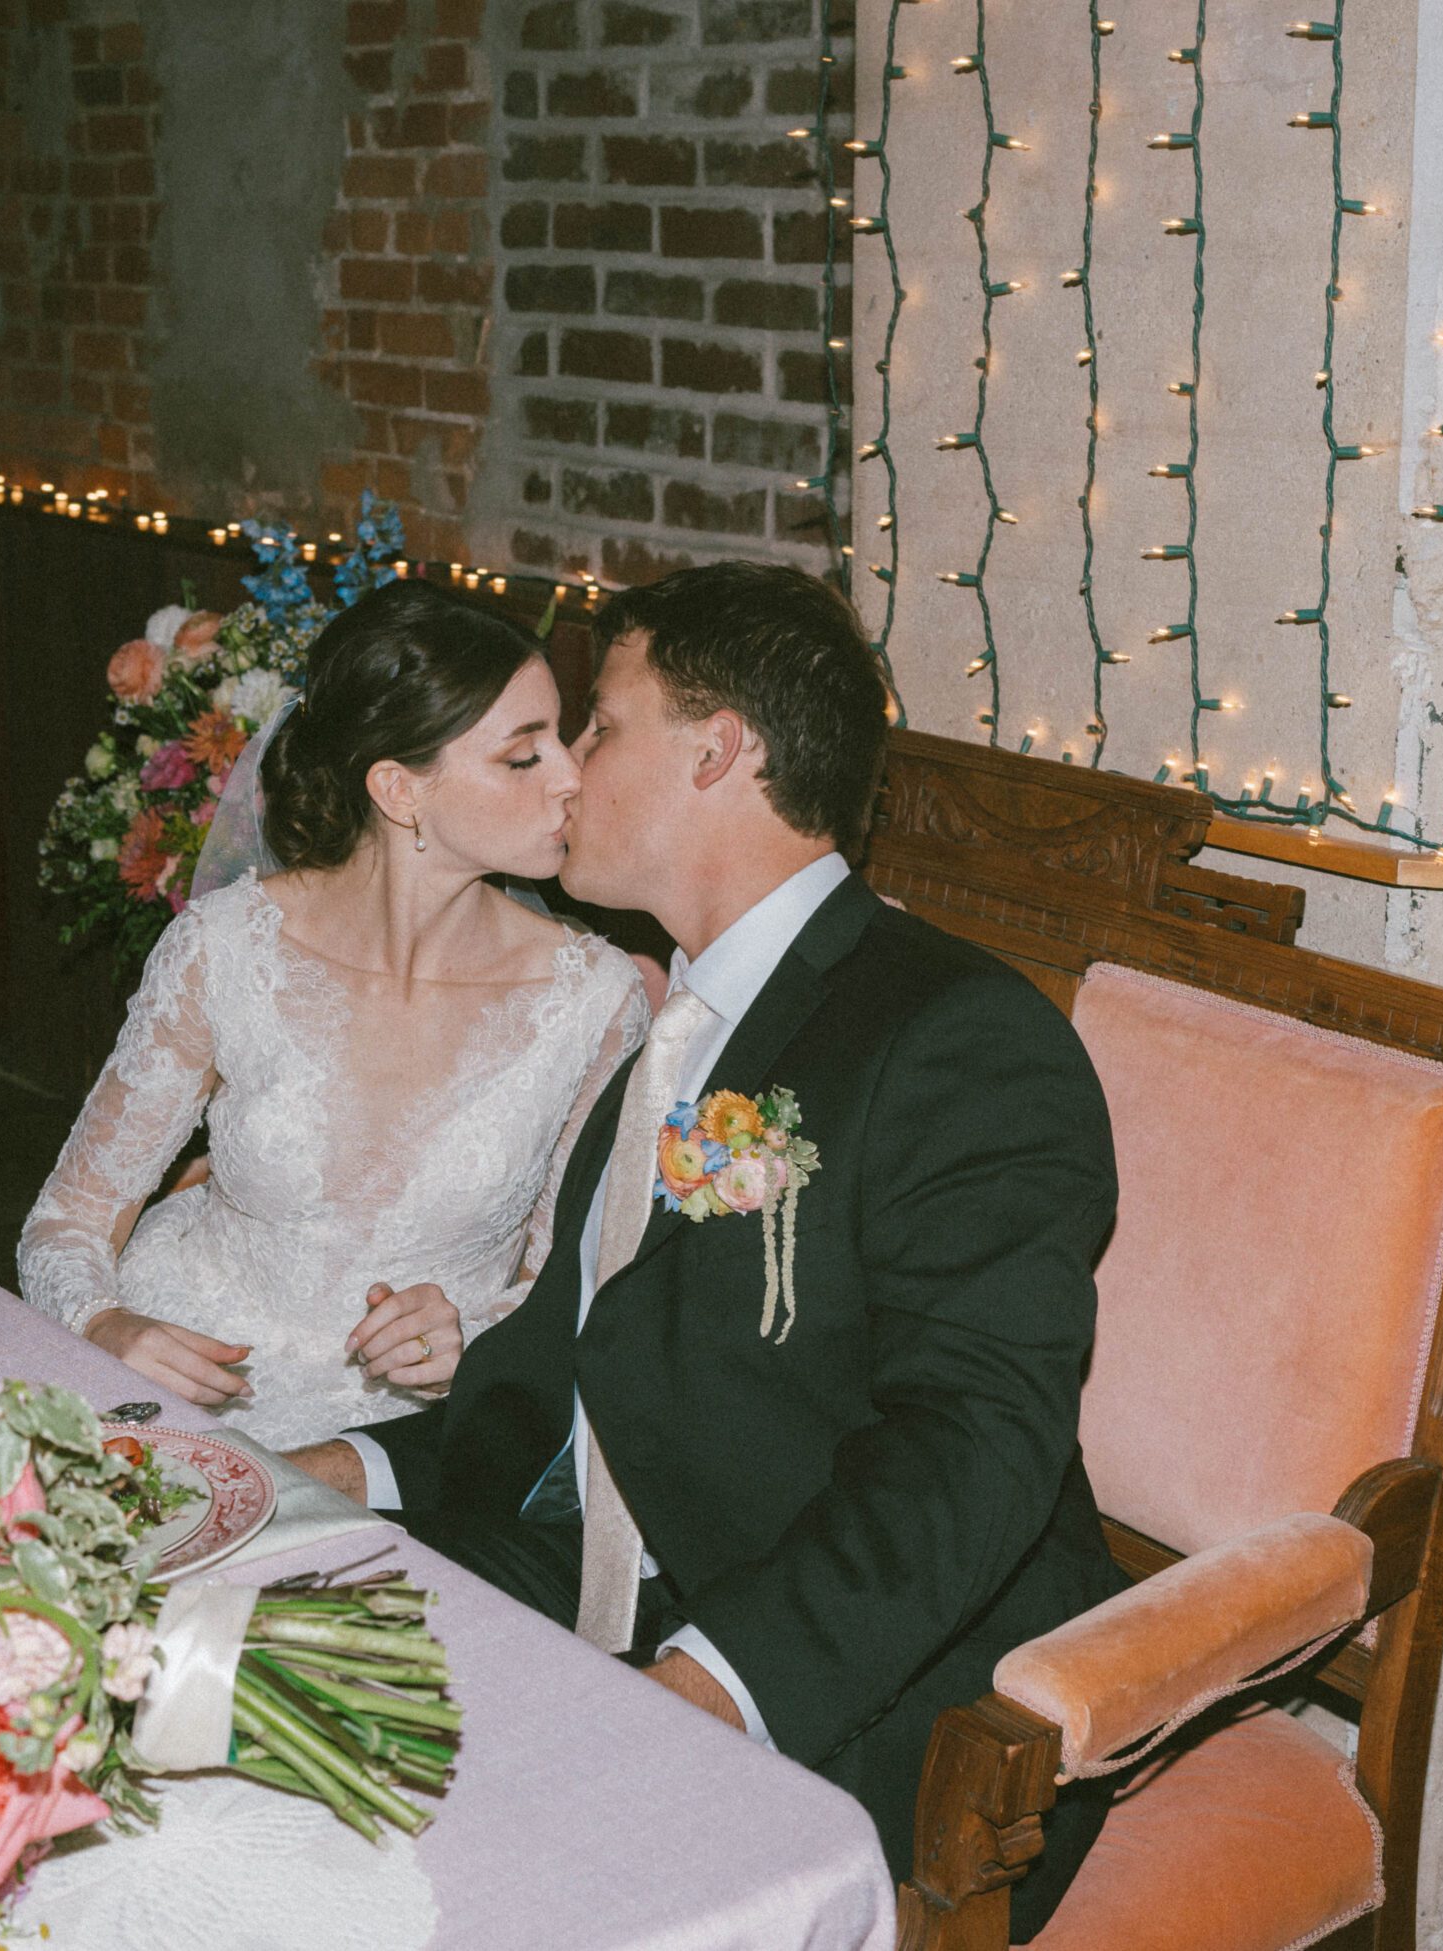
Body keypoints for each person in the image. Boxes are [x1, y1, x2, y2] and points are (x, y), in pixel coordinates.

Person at [290, 562, 1123, 1933]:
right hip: (602, 1579)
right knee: (243, 1679)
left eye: (598, 726)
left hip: (861, 1675)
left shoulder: (958, 1038)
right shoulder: (672, 1031)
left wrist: (700, 1686)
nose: (562, 770)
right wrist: (341, 1464)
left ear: (719, 749)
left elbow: (973, 1443)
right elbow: (572, 1366)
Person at [18, 580, 648, 1451]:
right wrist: (107, 1326)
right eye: (522, 755)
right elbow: (69, 1219)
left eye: (563, 737)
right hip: (178, 1390)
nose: (574, 777)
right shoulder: (227, 948)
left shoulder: (594, 1000)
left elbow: (565, 1282)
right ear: (399, 789)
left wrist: (472, 1330)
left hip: (404, 1444)